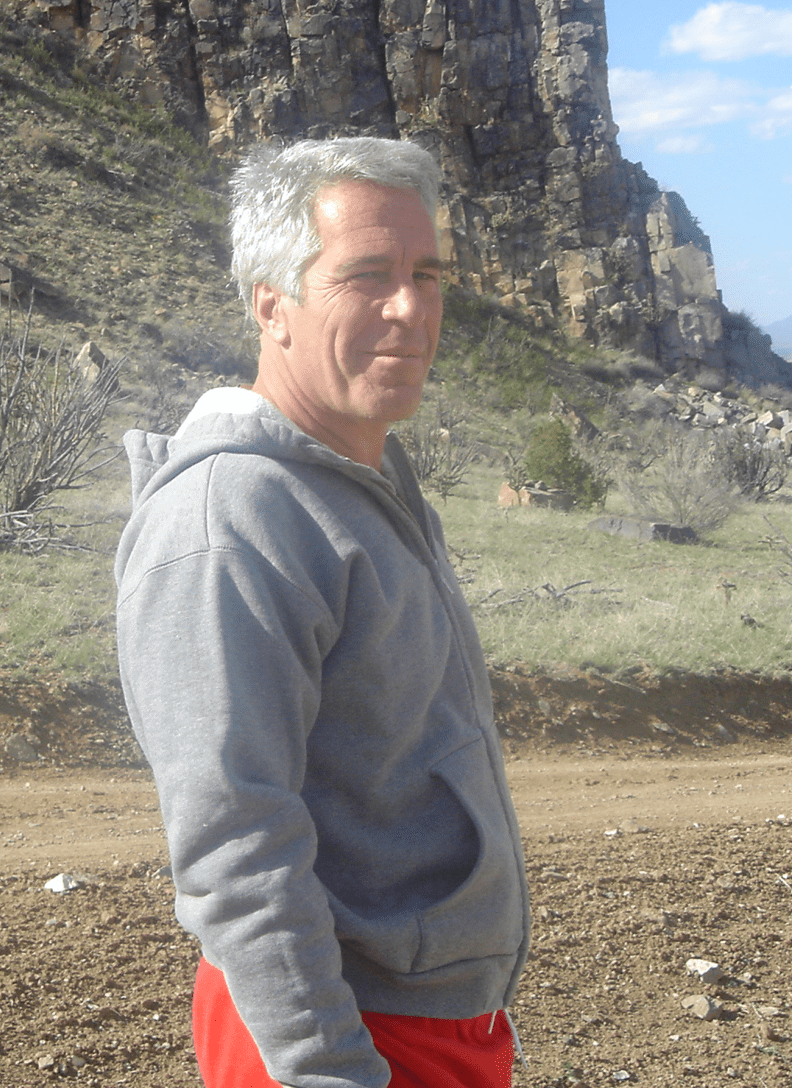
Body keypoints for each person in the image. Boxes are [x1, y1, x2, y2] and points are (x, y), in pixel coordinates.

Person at [115, 136, 529, 1088]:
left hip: (428, 1019)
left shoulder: (366, 478)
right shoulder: (229, 520)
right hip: (339, 1034)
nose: (411, 308)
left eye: (427, 274)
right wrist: (327, 1069)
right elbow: (235, 848)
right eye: (367, 275)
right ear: (272, 304)